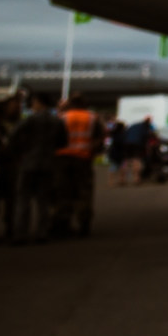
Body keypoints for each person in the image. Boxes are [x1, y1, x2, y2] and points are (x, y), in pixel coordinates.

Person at [4, 93, 66, 244]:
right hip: (48, 163)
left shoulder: (29, 120)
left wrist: (19, 152)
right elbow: (63, 142)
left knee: (23, 199)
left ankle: (20, 234)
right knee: (43, 200)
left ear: (38, 103)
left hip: (28, 163)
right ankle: (42, 232)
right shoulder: (57, 121)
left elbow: (13, 137)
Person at [52, 96, 98, 237]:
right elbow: (99, 139)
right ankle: (84, 224)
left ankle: (63, 224)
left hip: (62, 159)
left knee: (63, 191)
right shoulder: (92, 118)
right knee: (84, 192)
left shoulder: (62, 117)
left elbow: (54, 138)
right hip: (83, 158)